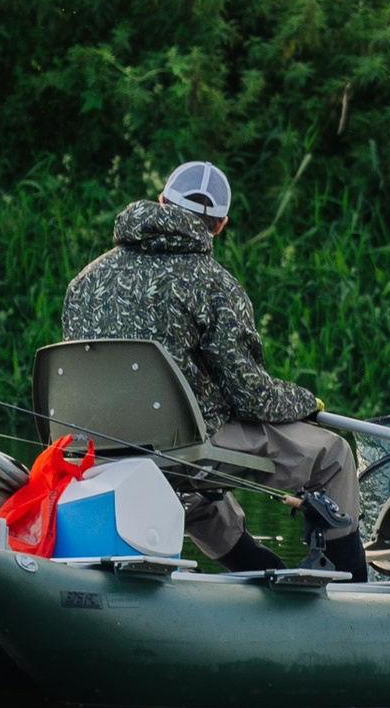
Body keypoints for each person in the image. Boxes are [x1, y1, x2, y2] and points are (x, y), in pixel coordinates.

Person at [61, 159, 371, 578]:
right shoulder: (214, 283)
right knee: (332, 456)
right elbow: (251, 394)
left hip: (96, 443)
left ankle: (259, 570)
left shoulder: (85, 279)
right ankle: (352, 588)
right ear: (221, 225)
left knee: (194, 492)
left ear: (162, 202)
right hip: (180, 445)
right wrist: (304, 401)